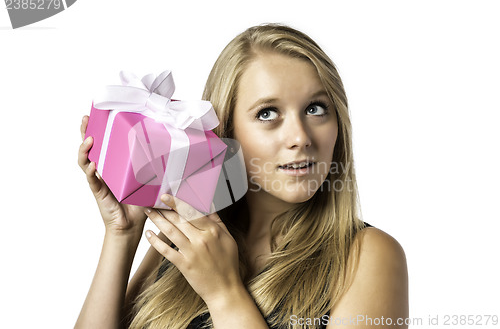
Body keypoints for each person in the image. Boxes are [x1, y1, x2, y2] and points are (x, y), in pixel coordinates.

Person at [75, 24, 408, 329]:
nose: (301, 137)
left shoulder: (368, 256)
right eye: (268, 113)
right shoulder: (193, 236)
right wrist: (123, 234)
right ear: (227, 131)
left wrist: (224, 294)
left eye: (315, 109)